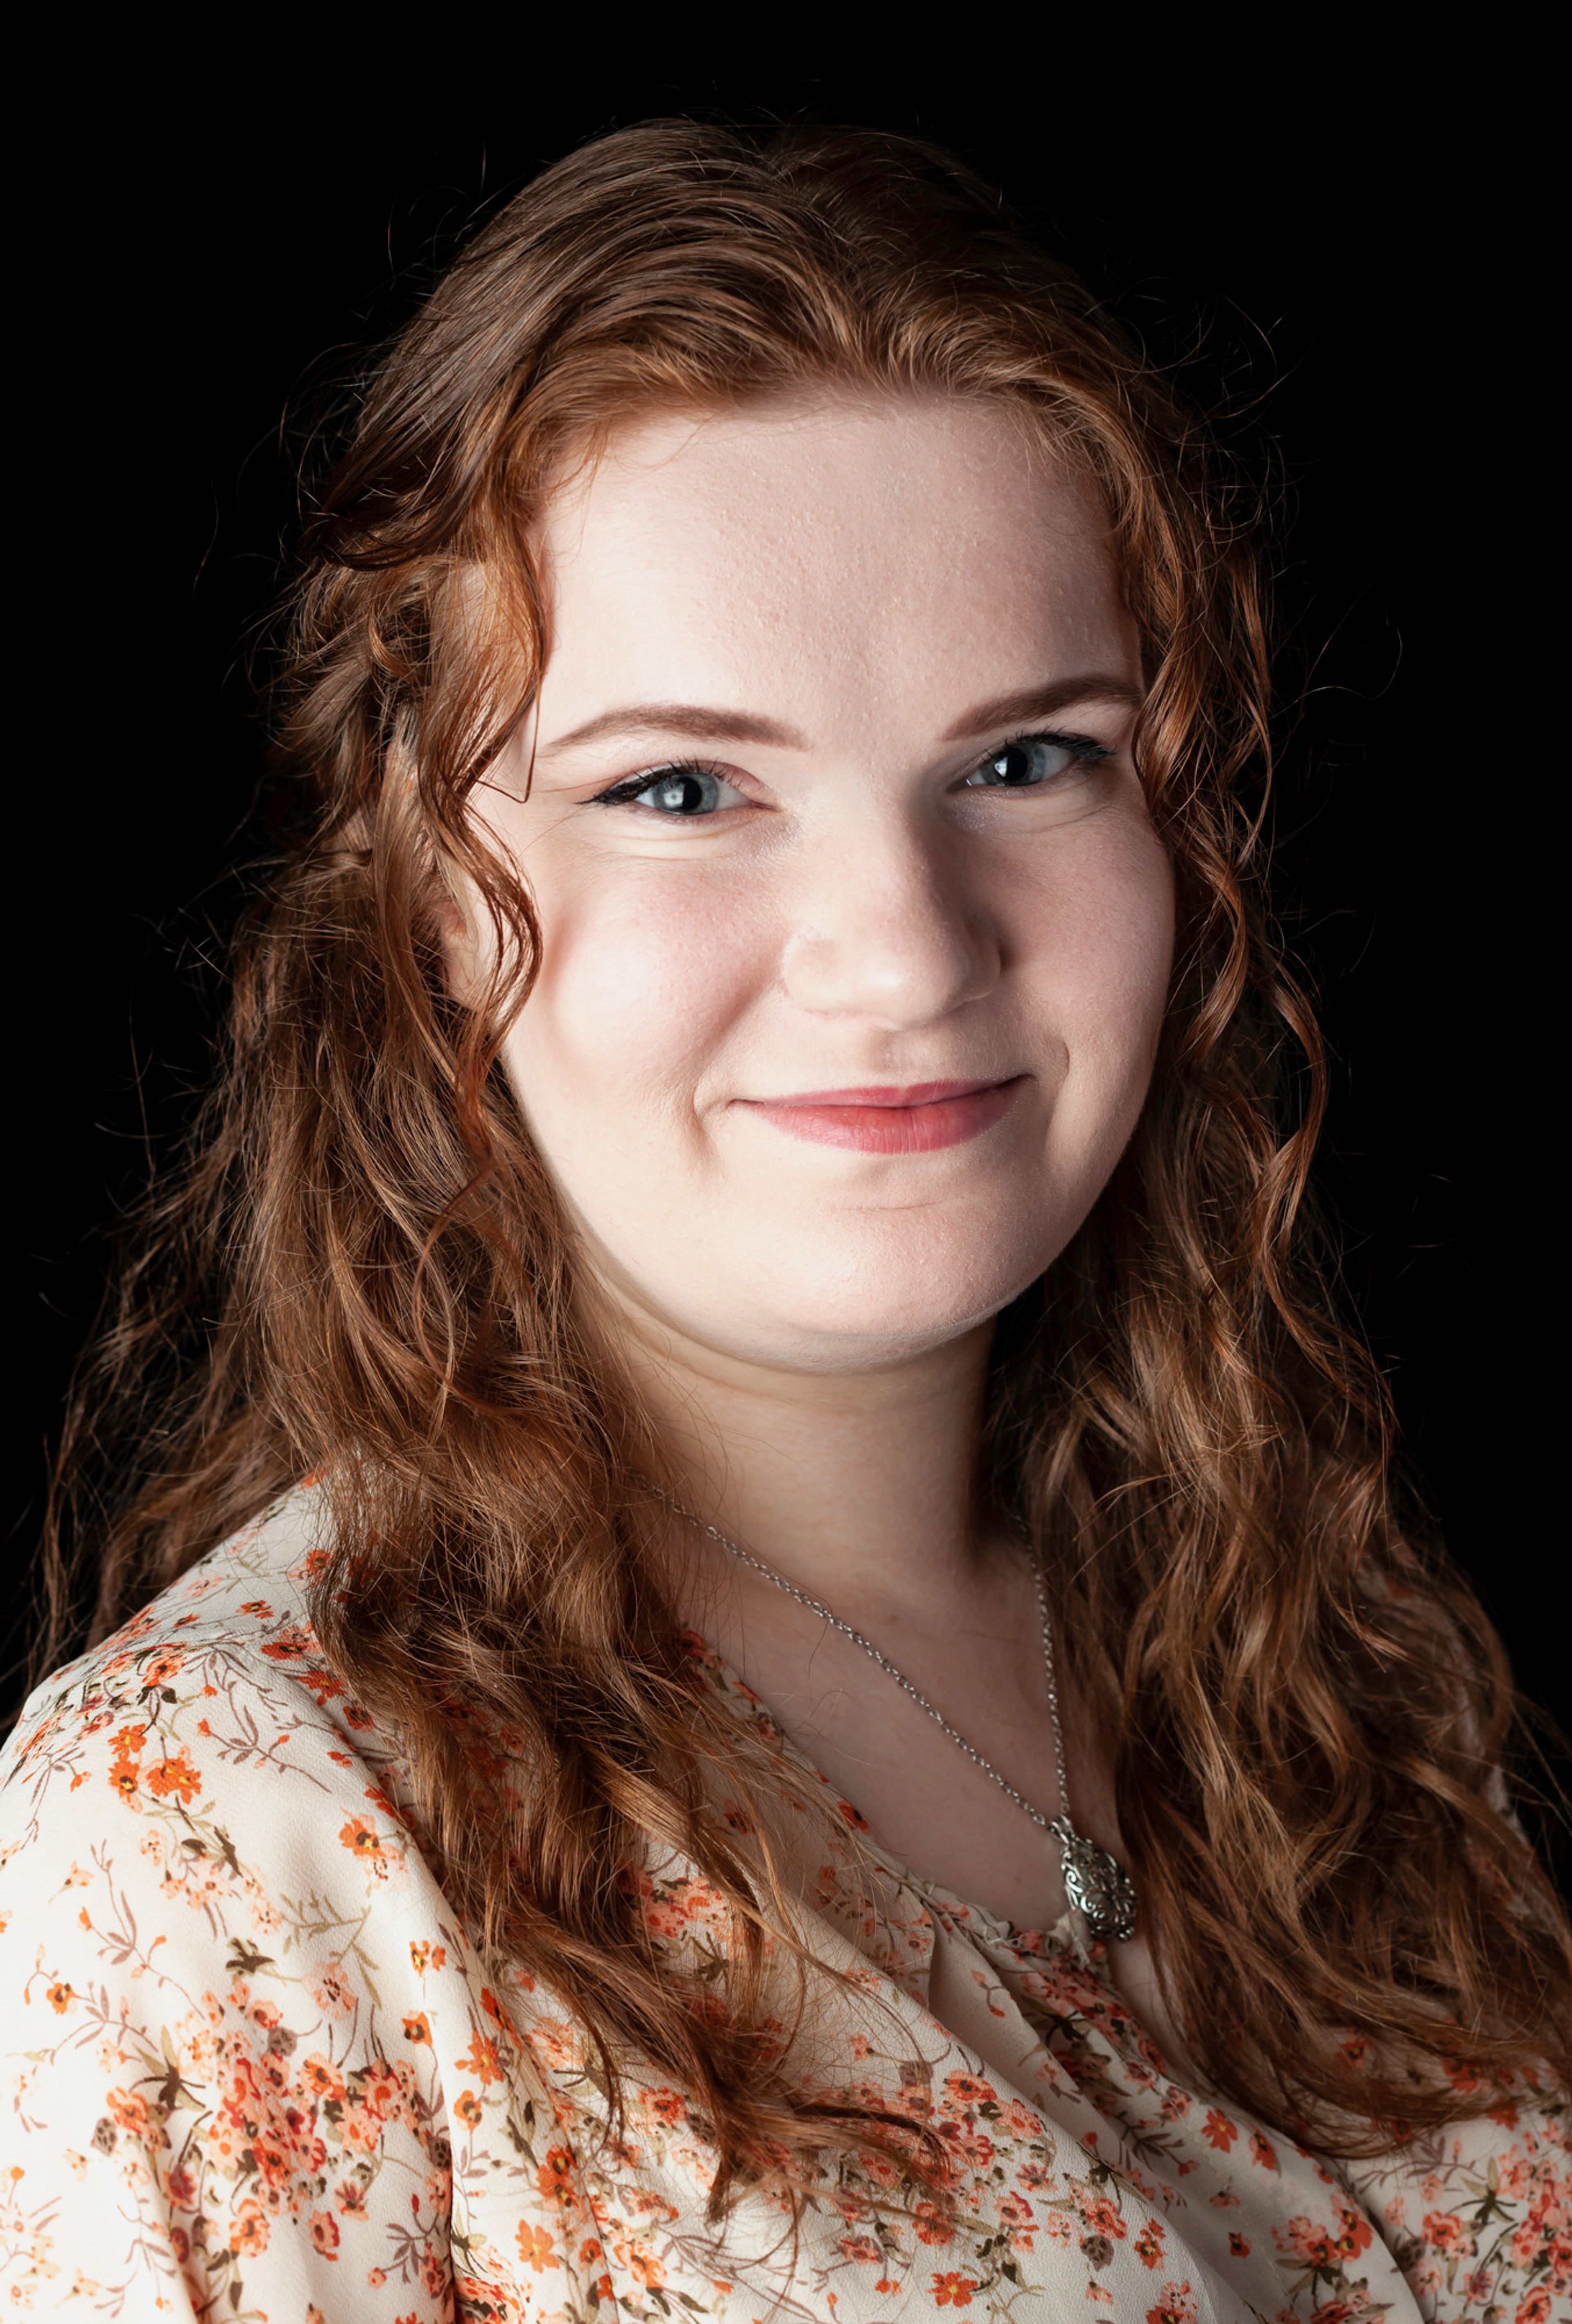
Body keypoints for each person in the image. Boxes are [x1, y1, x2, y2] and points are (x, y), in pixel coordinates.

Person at [1, 121, 1566, 2324]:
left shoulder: (1314, 1673)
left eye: (1027, 761)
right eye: (682, 790)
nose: (904, 947)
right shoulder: (219, 1838)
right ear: (437, 904)